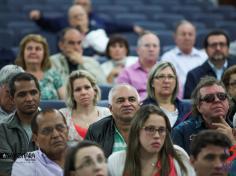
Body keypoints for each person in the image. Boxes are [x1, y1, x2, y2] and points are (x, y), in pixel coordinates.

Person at [108, 104, 195, 176]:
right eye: (150, 129)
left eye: (161, 130)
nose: (157, 136)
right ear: (137, 130)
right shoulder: (116, 161)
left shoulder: (178, 155)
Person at [172, 76, 236, 154]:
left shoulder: (234, 130)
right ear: (199, 107)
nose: (217, 100)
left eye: (221, 96)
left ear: (228, 103)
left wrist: (232, 143)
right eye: (209, 98)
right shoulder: (182, 132)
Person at [0, 72, 40, 175]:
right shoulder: (3, 129)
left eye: (33, 93)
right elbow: (6, 169)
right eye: (22, 94)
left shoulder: (53, 124)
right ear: (12, 99)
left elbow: (58, 164)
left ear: (39, 94)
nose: (29, 99)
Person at [85, 84, 140, 157]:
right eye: (120, 101)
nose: (127, 104)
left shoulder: (150, 127)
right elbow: (87, 160)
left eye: (131, 99)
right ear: (110, 108)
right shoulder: (96, 130)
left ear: (139, 106)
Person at [29, 0, 144, 35]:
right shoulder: (63, 20)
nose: (81, 7)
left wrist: (133, 27)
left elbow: (116, 26)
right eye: (78, 4)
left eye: (84, 4)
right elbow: (47, 23)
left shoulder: (98, 21)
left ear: (90, 7)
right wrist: (39, 17)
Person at [11, 109, 69, 176]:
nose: (55, 135)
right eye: (47, 131)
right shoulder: (24, 163)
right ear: (35, 139)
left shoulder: (80, 155)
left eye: (60, 128)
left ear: (67, 130)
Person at [184, 29, 236, 99]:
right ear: (205, 50)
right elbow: (190, 104)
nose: (218, 48)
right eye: (213, 45)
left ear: (228, 48)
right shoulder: (194, 75)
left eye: (222, 44)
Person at [60, 70, 111, 141]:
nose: (83, 92)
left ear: (95, 91)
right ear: (72, 94)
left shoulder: (107, 113)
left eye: (87, 87)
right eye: (78, 89)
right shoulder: (62, 115)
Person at [161, 20, 207, 97]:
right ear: (175, 37)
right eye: (183, 34)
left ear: (195, 37)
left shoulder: (204, 57)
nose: (187, 37)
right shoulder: (167, 57)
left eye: (190, 34)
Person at [15, 34, 65, 100]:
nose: (33, 52)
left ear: (44, 54)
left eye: (38, 49)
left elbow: (65, 103)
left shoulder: (54, 75)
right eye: (29, 48)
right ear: (22, 53)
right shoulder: (15, 76)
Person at [142, 61, 192, 128]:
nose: (166, 81)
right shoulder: (143, 109)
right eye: (161, 76)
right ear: (152, 83)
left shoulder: (188, 108)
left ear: (176, 82)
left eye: (170, 77)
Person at [116, 32, 160, 100]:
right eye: (147, 45)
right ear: (138, 50)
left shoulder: (166, 72)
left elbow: (176, 96)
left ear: (159, 50)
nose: (151, 49)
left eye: (155, 46)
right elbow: (122, 100)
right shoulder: (126, 73)